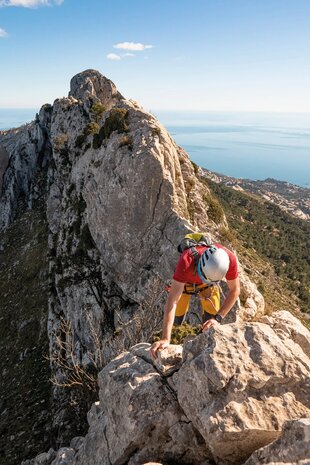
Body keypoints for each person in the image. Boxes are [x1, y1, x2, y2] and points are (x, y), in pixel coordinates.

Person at [151, 233, 240, 359]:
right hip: (185, 284)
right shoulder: (187, 260)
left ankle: (205, 347)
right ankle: (176, 339)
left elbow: (235, 290)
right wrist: (166, 338)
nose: (204, 281)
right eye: (205, 278)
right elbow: (172, 301)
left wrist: (218, 318)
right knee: (177, 318)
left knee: (211, 320)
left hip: (209, 287)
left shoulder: (229, 259)